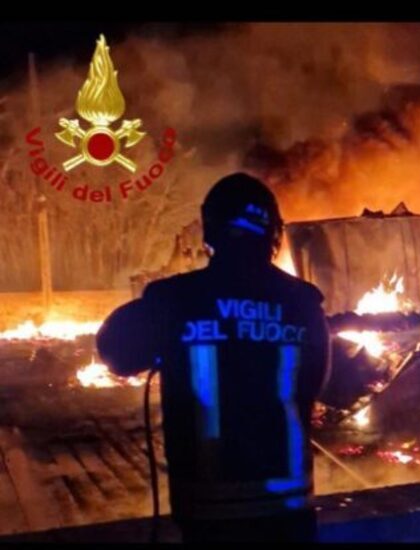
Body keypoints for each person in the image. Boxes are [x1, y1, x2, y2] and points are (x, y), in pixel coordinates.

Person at [96, 173, 331, 542]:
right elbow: (315, 385)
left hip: (208, 514)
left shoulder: (172, 299)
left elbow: (116, 354)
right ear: (275, 233)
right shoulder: (305, 303)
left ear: (209, 231)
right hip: (288, 509)